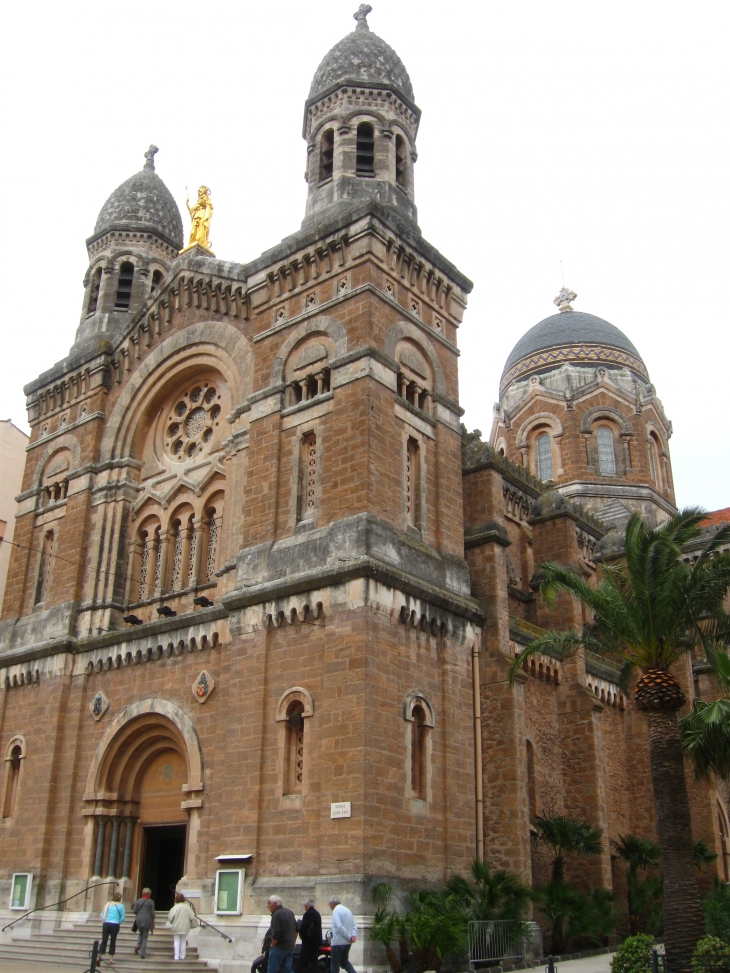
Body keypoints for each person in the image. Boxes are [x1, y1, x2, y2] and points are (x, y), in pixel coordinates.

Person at [267, 895, 297, 973]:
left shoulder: (276, 914)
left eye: (269, 903)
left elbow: (276, 933)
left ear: (275, 904)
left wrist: (272, 945)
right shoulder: (290, 912)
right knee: (287, 970)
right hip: (289, 947)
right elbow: (297, 929)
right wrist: (293, 942)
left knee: (272, 970)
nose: (268, 906)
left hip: (279, 947)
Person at [328, 898, 357, 973]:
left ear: (332, 904)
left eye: (329, 904)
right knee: (344, 962)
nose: (329, 906)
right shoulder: (348, 910)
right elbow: (354, 925)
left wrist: (348, 936)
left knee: (334, 964)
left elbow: (339, 926)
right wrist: (353, 935)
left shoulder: (336, 911)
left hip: (338, 942)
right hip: (347, 943)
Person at [167, 892, 197, 961]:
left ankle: (176, 956)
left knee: (176, 940)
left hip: (176, 926)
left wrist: (172, 922)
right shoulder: (187, 907)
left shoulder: (175, 907)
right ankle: (182, 956)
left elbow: (170, 918)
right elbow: (192, 917)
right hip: (185, 926)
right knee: (183, 941)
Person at [98, 891, 125, 965]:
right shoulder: (121, 906)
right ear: (120, 898)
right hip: (115, 924)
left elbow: (102, 915)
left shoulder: (108, 904)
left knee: (104, 940)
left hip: (106, 923)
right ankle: (111, 959)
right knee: (113, 941)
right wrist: (118, 922)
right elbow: (122, 917)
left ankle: (99, 956)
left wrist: (104, 920)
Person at [295, 899, 322, 973]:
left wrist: (300, 932)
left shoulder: (308, 914)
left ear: (306, 905)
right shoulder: (316, 913)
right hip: (315, 942)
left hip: (309, 943)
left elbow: (304, 927)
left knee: (302, 960)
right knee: (314, 962)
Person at [132, 887, 155, 959]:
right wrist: (153, 922)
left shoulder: (138, 901)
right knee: (145, 936)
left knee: (141, 933)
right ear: (149, 894)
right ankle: (142, 953)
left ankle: (137, 946)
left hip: (138, 919)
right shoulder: (151, 902)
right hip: (147, 920)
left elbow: (134, 911)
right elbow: (152, 913)